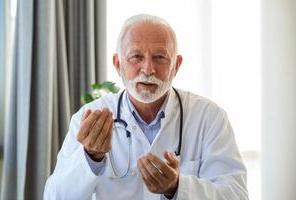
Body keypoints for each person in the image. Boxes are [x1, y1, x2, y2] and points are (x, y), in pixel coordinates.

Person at [44, 14, 249, 200]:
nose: (148, 69)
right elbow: (55, 196)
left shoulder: (209, 117)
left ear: (176, 66)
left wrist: (178, 187)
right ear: (118, 64)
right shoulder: (89, 118)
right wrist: (90, 157)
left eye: (160, 57)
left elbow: (236, 195)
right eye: (136, 57)